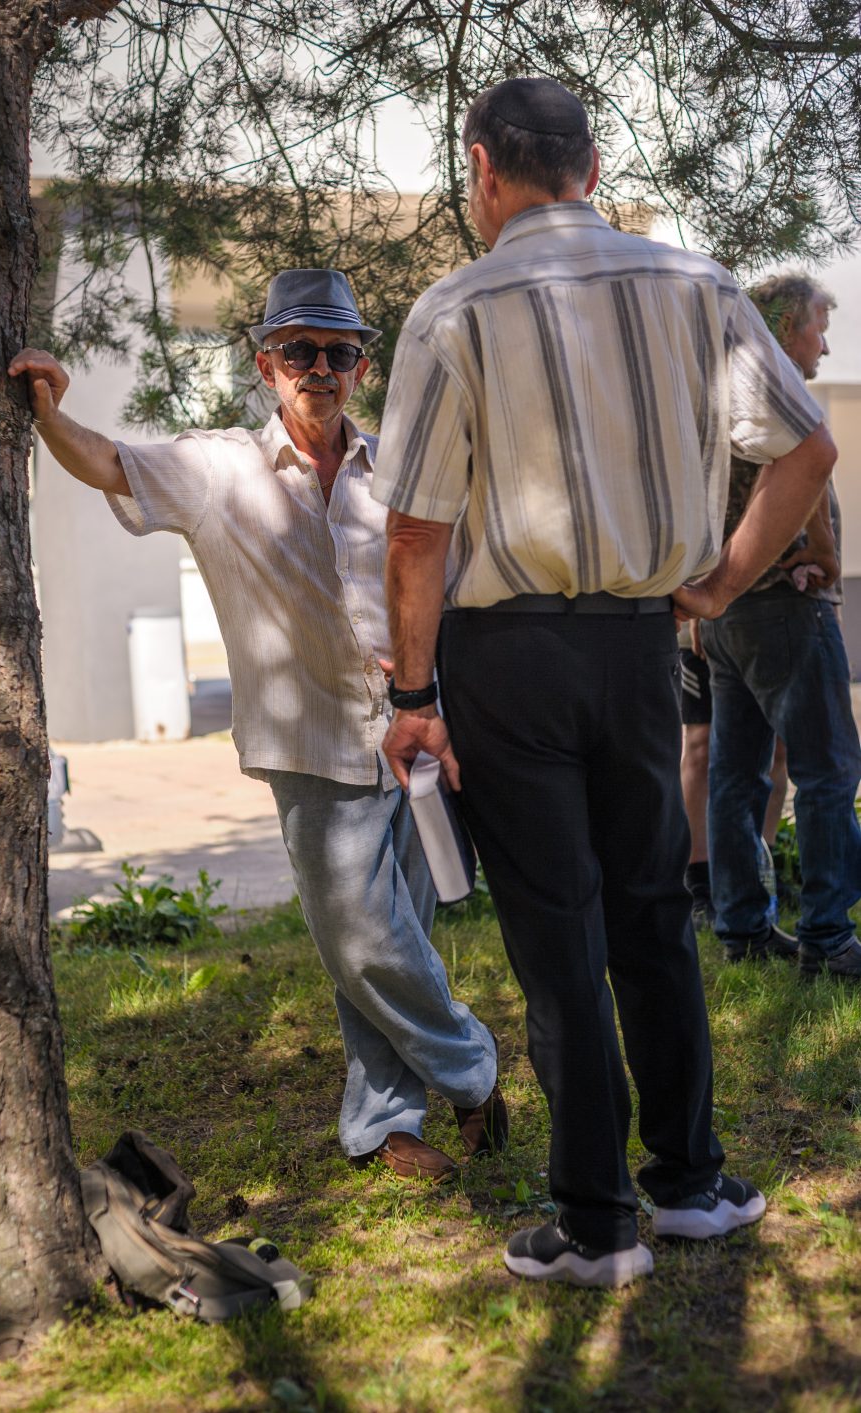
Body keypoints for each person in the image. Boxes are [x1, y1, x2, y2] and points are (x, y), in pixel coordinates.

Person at [370, 77, 836, 1287]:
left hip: (504, 657)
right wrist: (724, 582)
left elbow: (416, 529)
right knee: (652, 914)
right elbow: (807, 446)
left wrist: (411, 695)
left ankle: (595, 1225)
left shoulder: (450, 308)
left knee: (555, 933)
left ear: (482, 166)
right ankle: (686, 1185)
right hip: (641, 639)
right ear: (590, 162)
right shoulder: (695, 284)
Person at [9, 268, 507, 1184]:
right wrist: (46, 414)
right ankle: (475, 1071)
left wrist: (440, 705)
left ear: (363, 362)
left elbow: (444, 580)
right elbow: (111, 462)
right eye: (298, 350)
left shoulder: (397, 463)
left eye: (339, 352)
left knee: (399, 942)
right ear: (263, 362)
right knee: (361, 939)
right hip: (312, 743)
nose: (320, 368)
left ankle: (382, 1123)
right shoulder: (216, 468)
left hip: (411, 738)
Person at [701, 273, 861, 978]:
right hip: (782, 608)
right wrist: (824, 557)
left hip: (724, 613)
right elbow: (809, 474)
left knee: (734, 773)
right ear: (787, 326)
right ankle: (828, 937)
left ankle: (741, 926)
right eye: (818, 328)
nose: (824, 345)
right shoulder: (779, 390)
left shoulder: (717, 393)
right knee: (828, 771)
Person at [679, 620, 789, 929]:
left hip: (773, 628)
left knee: (778, 750)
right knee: (701, 746)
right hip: (702, 630)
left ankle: (763, 868)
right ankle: (699, 881)